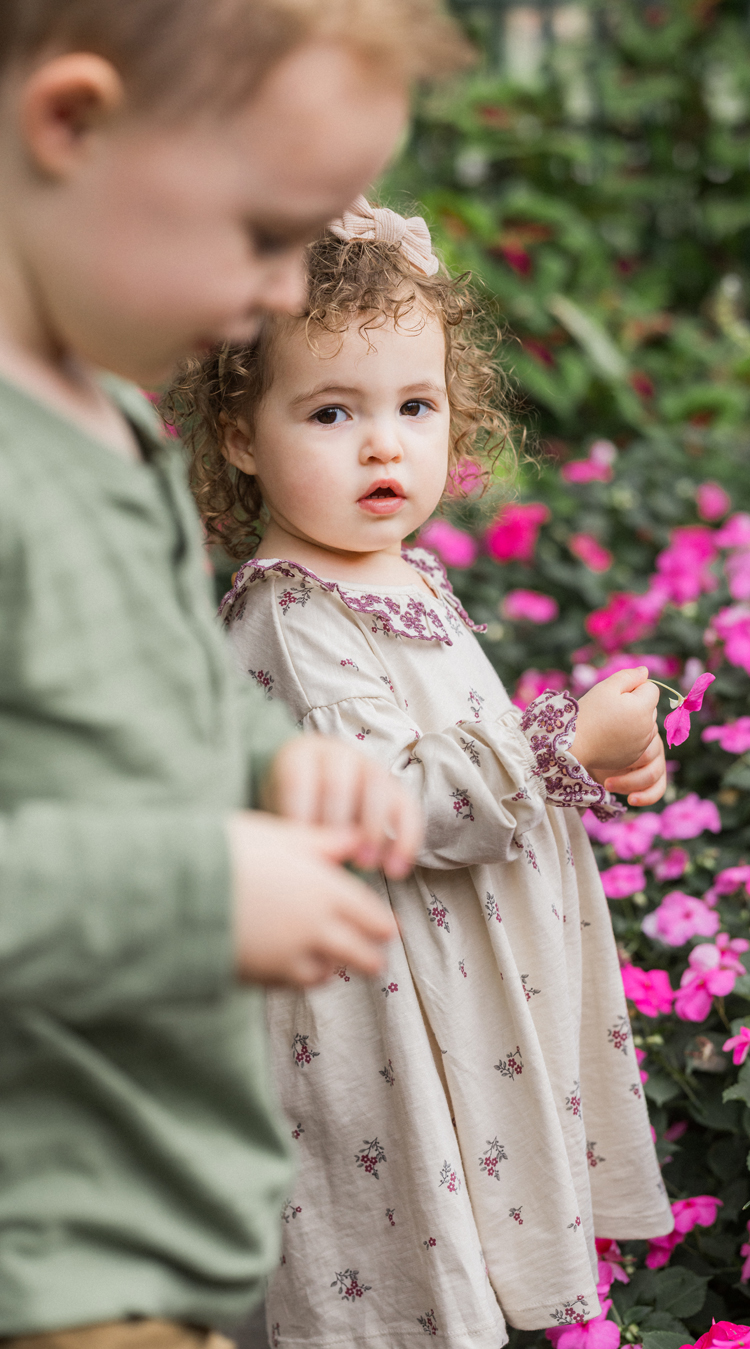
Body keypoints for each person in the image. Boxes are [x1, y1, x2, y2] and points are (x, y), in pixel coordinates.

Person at [0, 5, 469, 1347]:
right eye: (266, 232)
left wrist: (270, 766)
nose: (283, 291)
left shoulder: (103, 433)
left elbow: (156, 711)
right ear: (72, 125)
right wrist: (195, 890)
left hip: (159, 1225)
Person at [169, 198, 675, 1349]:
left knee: (467, 1238)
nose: (384, 443)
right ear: (242, 433)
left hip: (463, 990)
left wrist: (594, 758)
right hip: (381, 1016)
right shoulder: (295, 613)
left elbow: (468, 756)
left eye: (415, 406)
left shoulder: (399, 575)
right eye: (332, 411)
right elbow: (392, 800)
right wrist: (558, 743)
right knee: (393, 1269)